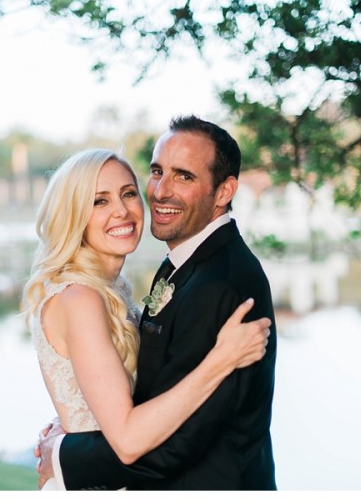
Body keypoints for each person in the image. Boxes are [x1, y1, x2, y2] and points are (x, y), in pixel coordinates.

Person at [37, 115, 278, 490]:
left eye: (184, 176)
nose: (161, 191)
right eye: (157, 172)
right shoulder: (160, 273)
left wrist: (64, 453)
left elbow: (171, 447)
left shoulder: (221, 284)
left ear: (224, 191)